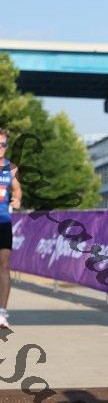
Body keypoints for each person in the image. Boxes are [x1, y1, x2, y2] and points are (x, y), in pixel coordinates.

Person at [0, 128, 22, 329]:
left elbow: (17, 190)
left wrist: (17, 200)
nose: (1, 148)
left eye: (4, 144)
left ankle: (2, 313)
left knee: (4, 265)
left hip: (3, 222)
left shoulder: (11, 168)